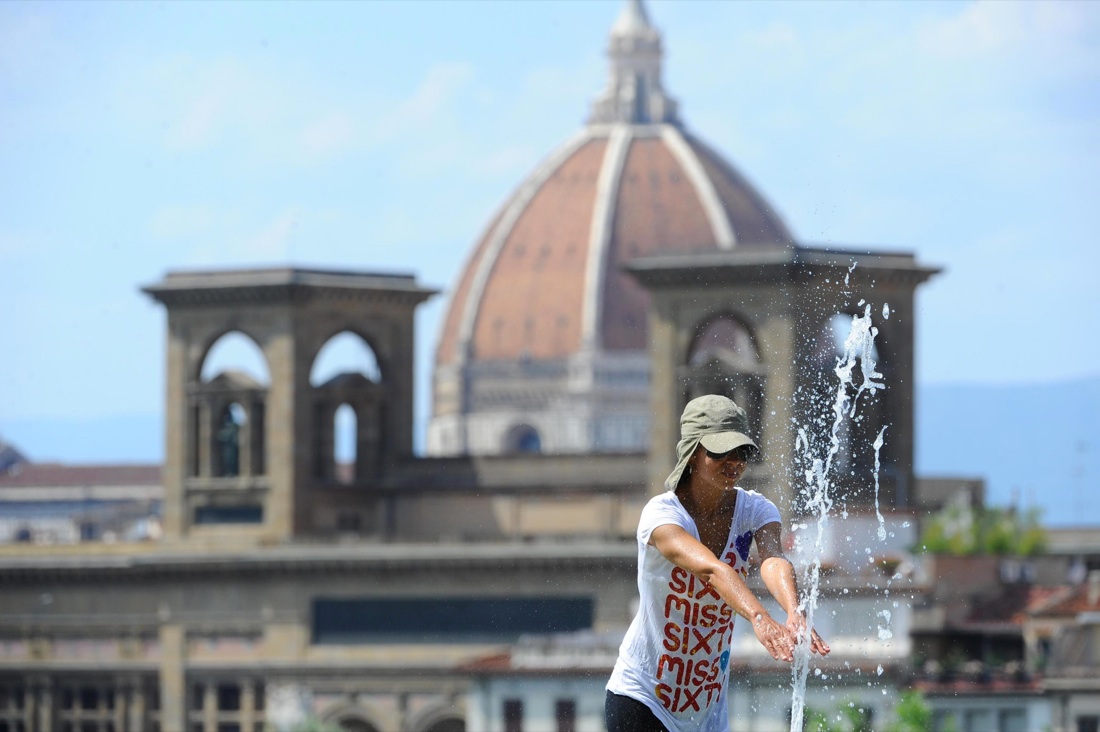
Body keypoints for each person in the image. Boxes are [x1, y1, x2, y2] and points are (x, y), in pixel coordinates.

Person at [606, 394, 830, 732]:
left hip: (707, 710)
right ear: (693, 454)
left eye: (741, 453)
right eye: (720, 452)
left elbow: (773, 560)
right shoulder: (663, 516)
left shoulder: (756, 509)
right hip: (643, 700)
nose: (733, 462)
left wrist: (793, 611)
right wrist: (759, 616)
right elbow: (712, 570)